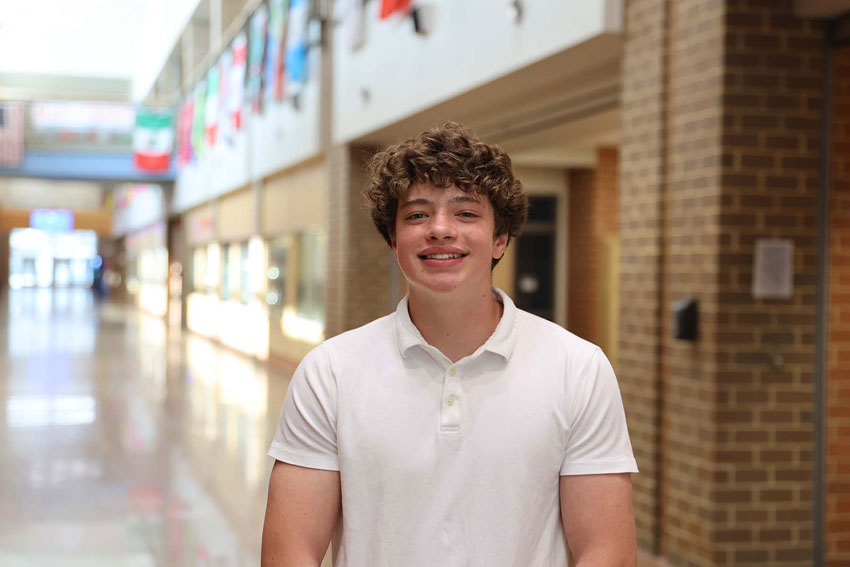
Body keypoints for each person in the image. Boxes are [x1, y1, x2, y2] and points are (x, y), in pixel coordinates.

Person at [262, 122, 638, 567]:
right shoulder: (329, 372)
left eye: (466, 213)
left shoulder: (579, 369)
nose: (440, 229)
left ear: (500, 239)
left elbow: (605, 551)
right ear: (394, 240)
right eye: (417, 214)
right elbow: (292, 553)